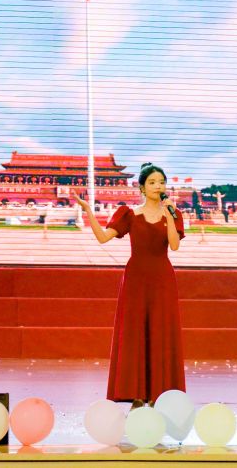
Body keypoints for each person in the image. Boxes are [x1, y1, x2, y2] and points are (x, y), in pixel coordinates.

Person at [77, 162, 186, 405]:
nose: (158, 186)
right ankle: (136, 395)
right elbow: (103, 238)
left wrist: (170, 215)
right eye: (152, 182)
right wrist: (88, 211)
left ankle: (158, 395)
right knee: (135, 334)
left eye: (161, 182)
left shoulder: (174, 214)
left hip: (162, 279)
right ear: (142, 188)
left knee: (160, 332)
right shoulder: (129, 214)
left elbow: (175, 245)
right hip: (136, 280)